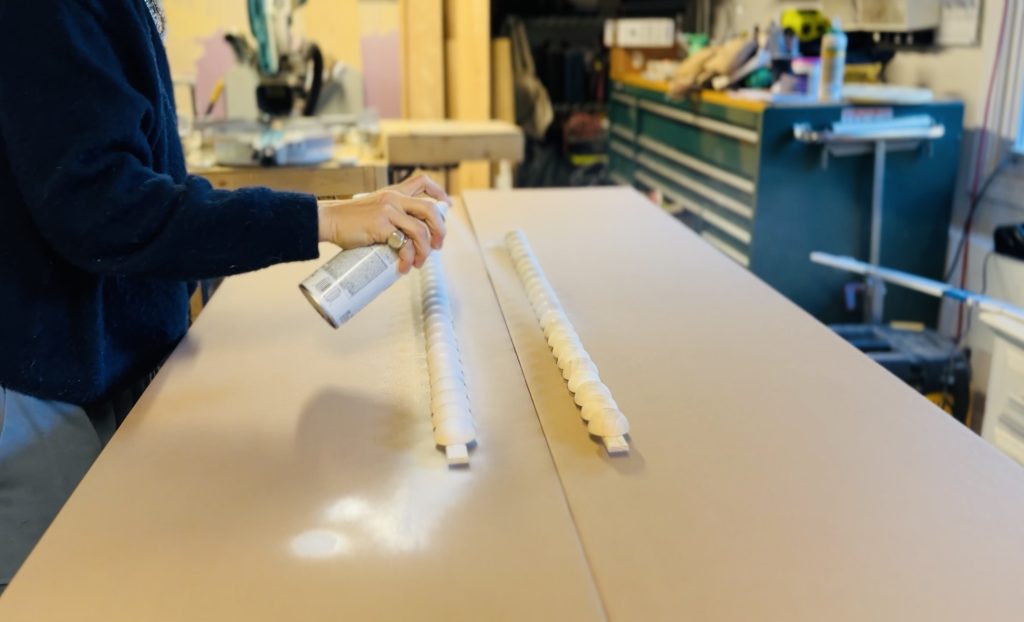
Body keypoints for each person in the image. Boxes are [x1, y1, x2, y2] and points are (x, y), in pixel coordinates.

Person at [0, 0, 449, 592]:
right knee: (66, 592)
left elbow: (132, 168)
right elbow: (103, 206)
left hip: (105, 363)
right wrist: (320, 218)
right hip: (45, 384)